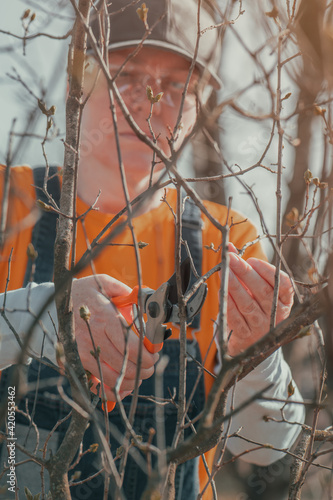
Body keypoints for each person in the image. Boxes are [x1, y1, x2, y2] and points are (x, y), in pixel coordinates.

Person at [0, 1, 305, 498]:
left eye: (178, 84)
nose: (150, 100)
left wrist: (258, 359)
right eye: (127, 72)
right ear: (79, 84)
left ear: (199, 101)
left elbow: (264, 448)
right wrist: (44, 317)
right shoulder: (7, 203)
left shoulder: (227, 243)